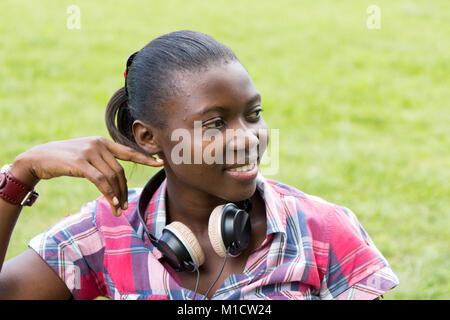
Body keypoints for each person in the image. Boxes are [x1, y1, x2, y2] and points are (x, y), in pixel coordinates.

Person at [0, 30, 398, 300]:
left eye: (254, 113)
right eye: (215, 123)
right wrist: (20, 175)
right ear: (148, 137)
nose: (248, 137)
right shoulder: (107, 233)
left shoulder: (323, 232)